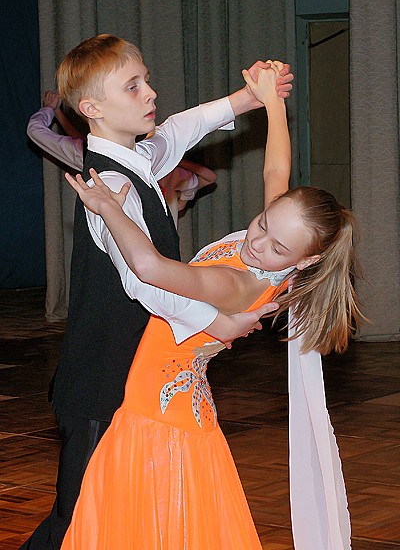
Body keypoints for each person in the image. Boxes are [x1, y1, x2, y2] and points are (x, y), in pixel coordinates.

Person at [61, 64, 363, 549]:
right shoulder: (277, 248)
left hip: (155, 413)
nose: (257, 243)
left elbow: (151, 269)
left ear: (306, 261)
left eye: (277, 247)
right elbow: (276, 169)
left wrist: (110, 208)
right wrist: (272, 101)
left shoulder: (236, 283)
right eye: (262, 223)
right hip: (175, 403)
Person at [19, 34, 293, 550]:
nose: (150, 92)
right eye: (133, 86)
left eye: (145, 80)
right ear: (92, 109)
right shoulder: (111, 187)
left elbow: (180, 128)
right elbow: (143, 279)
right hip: (101, 383)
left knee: (117, 518)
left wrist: (247, 99)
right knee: (76, 519)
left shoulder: (140, 157)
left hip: (132, 378)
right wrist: (217, 322)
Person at [27, 93, 217, 224]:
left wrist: (52, 110)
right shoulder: (96, 155)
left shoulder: (166, 167)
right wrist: (54, 111)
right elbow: (88, 143)